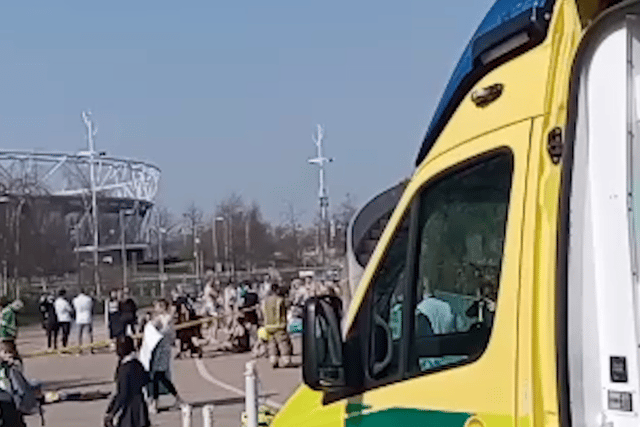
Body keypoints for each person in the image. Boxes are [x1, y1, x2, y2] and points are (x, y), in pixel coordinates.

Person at [104, 336, 150, 427]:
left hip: (129, 410)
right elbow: (146, 380)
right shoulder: (137, 364)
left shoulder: (124, 369)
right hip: (140, 406)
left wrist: (113, 412)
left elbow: (123, 394)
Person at [148, 299, 183, 414]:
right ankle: (176, 399)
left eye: (158, 306)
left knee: (158, 376)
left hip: (163, 350)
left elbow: (166, 332)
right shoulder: (158, 318)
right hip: (156, 350)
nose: (156, 309)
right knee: (160, 377)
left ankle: (155, 402)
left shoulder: (168, 318)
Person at [261, 283, 293, 368]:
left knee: (271, 344)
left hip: (268, 325)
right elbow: (285, 309)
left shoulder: (265, 301)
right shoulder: (280, 300)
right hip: (279, 325)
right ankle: (286, 359)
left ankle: (273, 359)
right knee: (283, 343)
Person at [0, 341, 27, 427]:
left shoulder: (13, 366)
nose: (8, 355)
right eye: (5, 352)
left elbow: (20, 381)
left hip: (12, 399)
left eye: (10, 352)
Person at [72, 289, 94, 354]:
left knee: (79, 335)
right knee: (89, 334)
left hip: (79, 317)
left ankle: (79, 349)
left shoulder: (75, 300)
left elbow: (75, 308)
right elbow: (91, 307)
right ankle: (91, 348)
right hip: (87, 317)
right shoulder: (88, 299)